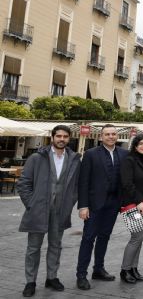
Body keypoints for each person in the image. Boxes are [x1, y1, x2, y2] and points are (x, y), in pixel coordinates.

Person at [17, 125, 81, 297]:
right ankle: (30, 281)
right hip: (38, 210)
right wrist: (31, 204)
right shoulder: (37, 158)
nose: (62, 139)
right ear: (52, 137)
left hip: (60, 211)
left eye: (65, 136)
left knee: (56, 245)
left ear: (69, 138)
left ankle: (51, 277)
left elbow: (76, 186)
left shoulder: (74, 159)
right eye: (58, 136)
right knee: (33, 248)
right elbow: (23, 183)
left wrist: (70, 203)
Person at [76, 124, 127, 289]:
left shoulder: (123, 154)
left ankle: (98, 269)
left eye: (113, 134)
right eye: (107, 134)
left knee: (104, 237)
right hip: (94, 204)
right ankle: (81, 275)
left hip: (113, 204)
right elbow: (83, 181)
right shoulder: (91, 154)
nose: (111, 137)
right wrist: (83, 206)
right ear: (101, 137)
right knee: (88, 238)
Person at [119, 134, 143, 284]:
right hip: (136, 204)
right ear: (135, 146)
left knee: (140, 238)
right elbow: (127, 183)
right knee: (136, 238)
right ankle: (125, 269)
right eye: (141, 143)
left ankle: (133, 268)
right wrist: (139, 201)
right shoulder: (129, 160)